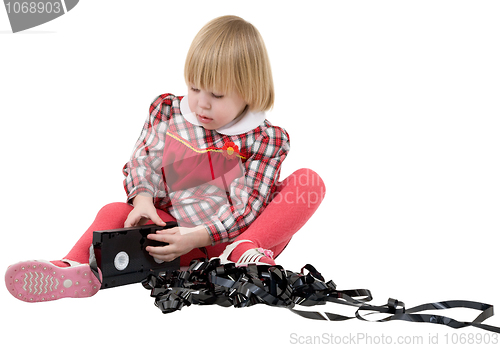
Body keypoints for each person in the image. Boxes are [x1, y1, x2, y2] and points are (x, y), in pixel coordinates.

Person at [5, 15, 325, 303]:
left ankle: (242, 254)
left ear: (250, 92)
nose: (202, 103)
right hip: (174, 236)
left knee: (308, 181)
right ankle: (74, 268)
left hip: (242, 235)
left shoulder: (265, 137)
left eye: (217, 95)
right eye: (195, 88)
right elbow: (143, 159)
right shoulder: (169, 110)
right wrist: (143, 198)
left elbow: (249, 206)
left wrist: (204, 235)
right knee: (115, 210)